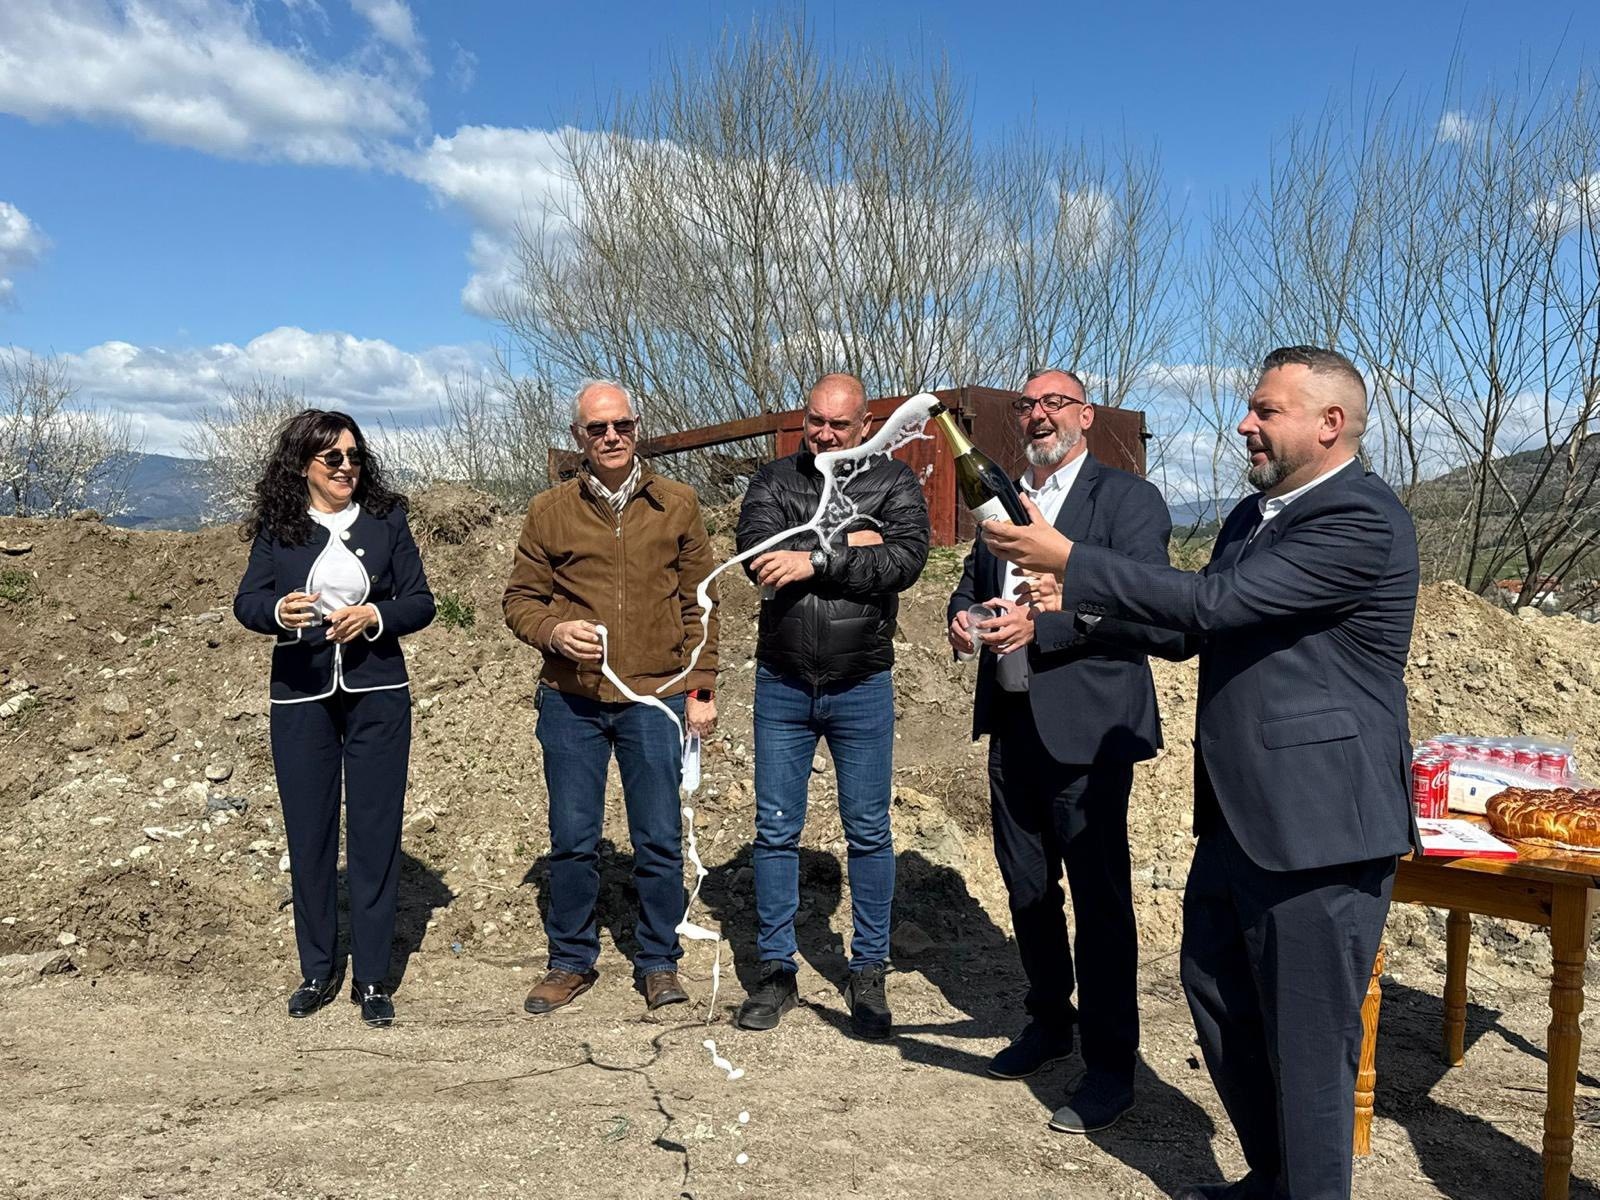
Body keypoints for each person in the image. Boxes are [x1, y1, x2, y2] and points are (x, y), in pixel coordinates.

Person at [983, 347, 1420, 1200]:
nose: (1244, 425)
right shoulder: (1253, 516)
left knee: (1309, 1047)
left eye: (1266, 411)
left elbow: (1217, 603)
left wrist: (1071, 559)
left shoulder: (1358, 517)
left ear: (1330, 424)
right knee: (1218, 994)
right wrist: (1076, 605)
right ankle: (1273, 1177)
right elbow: (1188, 631)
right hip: (1239, 814)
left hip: (1319, 826)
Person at [947, 368, 1183, 1134]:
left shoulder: (1127, 500)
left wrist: (1044, 627)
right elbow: (971, 581)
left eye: (1055, 403)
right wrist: (962, 617)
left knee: (1100, 902)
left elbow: (1149, 607)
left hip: (1089, 730)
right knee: (1026, 889)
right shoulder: (1002, 499)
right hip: (1012, 722)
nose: (1039, 416)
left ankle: (1111, 1069)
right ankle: (1050, 1021)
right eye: (1028, 406)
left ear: (1085, 416)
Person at [504, 379, 719, 1015]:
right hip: (572, 701)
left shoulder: (677, 503)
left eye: (621, 425)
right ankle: (570, 960)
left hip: (655, 699)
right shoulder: (549, 510)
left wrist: (701, 689)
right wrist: (553, 632)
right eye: (596, 428)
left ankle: (658, 961)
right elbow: (520, 600)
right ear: (578, 437)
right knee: (573, 838)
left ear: (637, 428)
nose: (611, 437)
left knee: (658, 838)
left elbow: (702, 605)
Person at [731, 373, 930, 1039]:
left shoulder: (893, 482)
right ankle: (775, 970)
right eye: (814, 420)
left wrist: (816, 557)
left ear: (864, 424)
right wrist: (857, 541)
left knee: (868, 831)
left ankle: (868, 968)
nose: (822, 433)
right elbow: (758, 555)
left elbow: (905, 560)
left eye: (838, 424)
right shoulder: (773, 480)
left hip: (860, 683)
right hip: (783, 683)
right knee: (775, 830)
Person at [233, 409, 436, 1027]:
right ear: (304, 465)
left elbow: (420, 602)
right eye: (333, 458)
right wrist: (278, 612)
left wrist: (375, 616)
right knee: (309, 833)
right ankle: (318, 969)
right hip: (301, 695)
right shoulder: (280, 526)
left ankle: (372, 977)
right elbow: (247, 601)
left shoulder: (387, 519)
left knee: (375, 831)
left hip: (378, 693)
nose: (347, 467)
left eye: (354, 456)